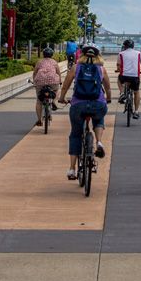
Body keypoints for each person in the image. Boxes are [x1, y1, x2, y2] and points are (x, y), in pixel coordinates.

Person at [58, 43, 111, 180]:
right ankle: (99, 141)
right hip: (97, 104)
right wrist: (108, 99)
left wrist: (62, 98)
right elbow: (108, 88)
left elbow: (65, 86)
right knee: (99, 118)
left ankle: (72, 169)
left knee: (75, 134)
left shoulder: (76, 67)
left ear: (81, 54)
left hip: (78, 104)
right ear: (98, 55)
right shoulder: (101, 69)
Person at [115, 39, 141, 119]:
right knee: (136, 92)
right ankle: (136, 111)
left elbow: (118, 65)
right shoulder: (138, 53)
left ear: (124, 46)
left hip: (124, 75)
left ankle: (122, 93)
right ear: (133, 46)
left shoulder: (121, 54)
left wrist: (119, 69)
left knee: (119, 79)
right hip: (135, 76)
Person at [31, 47, 62, 126]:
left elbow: (35, 73)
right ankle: (54, 101)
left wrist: (35, 82)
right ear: (52, 55)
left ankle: (39, 120)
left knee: (39, 101)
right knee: (58, 90)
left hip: (40, 82)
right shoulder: (54, 62)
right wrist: (60, 81)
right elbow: (58, 73)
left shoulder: (39, 62)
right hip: (53, 81)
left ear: (43, 54)